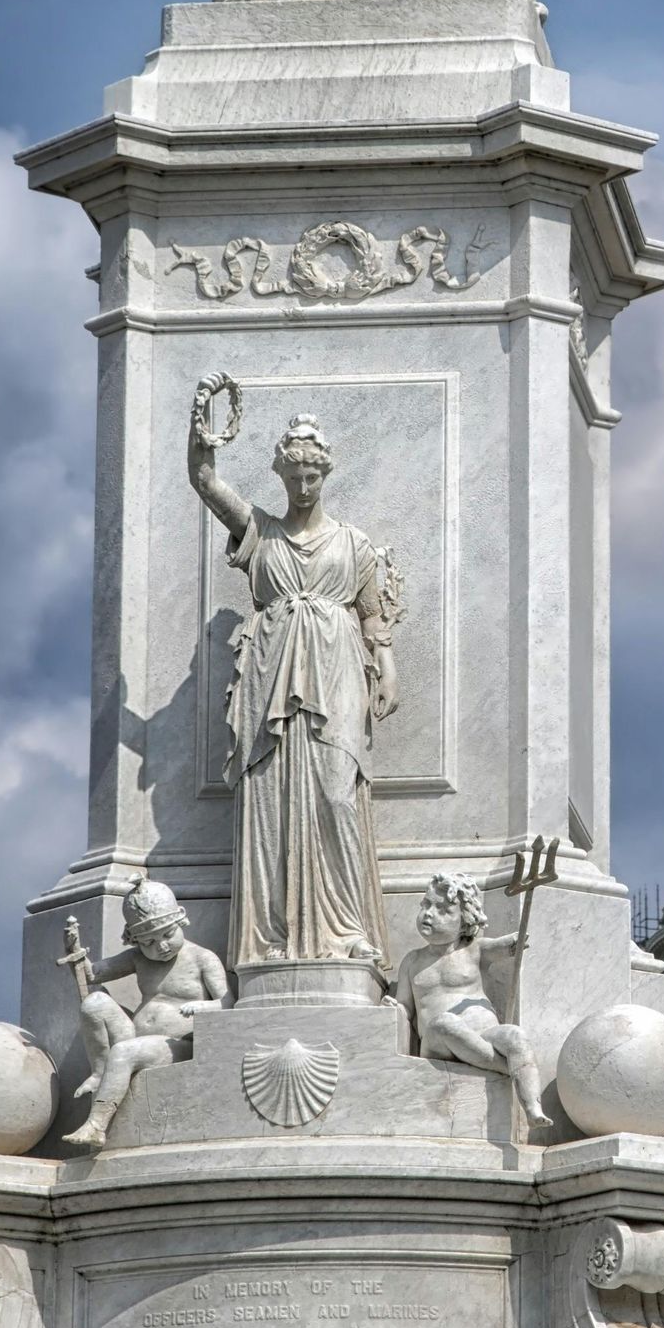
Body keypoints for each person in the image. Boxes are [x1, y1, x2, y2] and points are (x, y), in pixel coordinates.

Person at [188, 379, 398, 969]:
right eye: (293, 479)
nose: (303, 488)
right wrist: (200, 427)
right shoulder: (262, 533)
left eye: (312, 478)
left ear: (325, 475)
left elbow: (374, 617)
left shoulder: (354, 544)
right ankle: (275, 933)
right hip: (271, 671)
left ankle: (347, 927)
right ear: (281, 477)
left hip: (337, 669)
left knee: (337, 794)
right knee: (273, 802)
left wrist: (388, 669)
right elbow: (204, 482)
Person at [62, 879, 229, 1147]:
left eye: (167, 935)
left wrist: (204, 1006)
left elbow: (229, 1003)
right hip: (134, 1035)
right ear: (135, 941)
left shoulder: (203, 958)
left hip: (177, 1046)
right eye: (149, 942)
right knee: (94, 1003)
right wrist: (74, 952)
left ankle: (96, 1125)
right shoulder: (138, 958)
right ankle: (99, 1072)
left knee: (124, 1051)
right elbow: (93, 974)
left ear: (181, 921)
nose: (160, 946)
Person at [400, 871, 550, 1132]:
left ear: (464, 921)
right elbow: (404, 1006)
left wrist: (514, 941)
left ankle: (532, 1108)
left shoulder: (474, 950)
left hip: (484, 1033)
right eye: (426, 905)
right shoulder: (412, 961)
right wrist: (393, 1008)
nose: (429, 914)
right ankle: (507, 1069)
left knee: (515, 1036)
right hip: (437, 1041)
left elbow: (503, 945)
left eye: (443, 909)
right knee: (445, 1022)